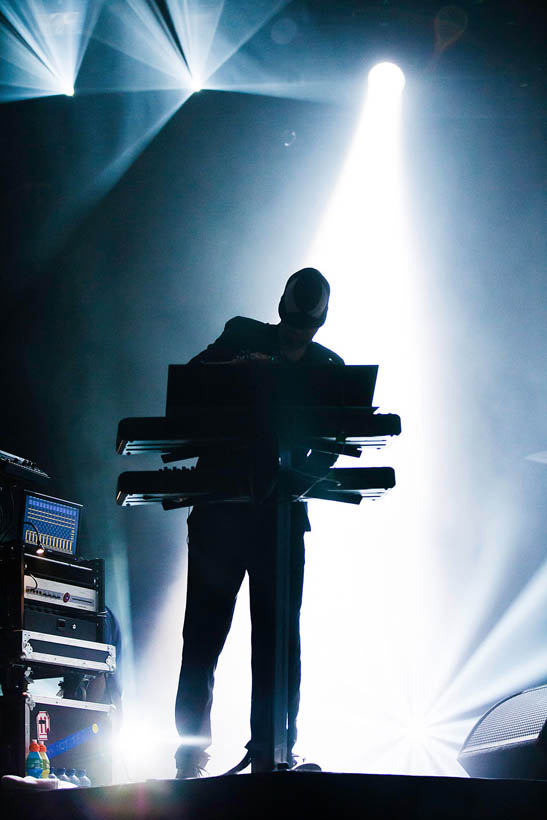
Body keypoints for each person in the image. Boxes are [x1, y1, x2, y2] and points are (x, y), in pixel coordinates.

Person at [174, 268, 344, 777]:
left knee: (278, 641)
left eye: (305, 327)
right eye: (292, 323)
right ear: (280, 311)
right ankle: (189, 756)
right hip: (221, 517)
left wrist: (295, 477)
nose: (296, 333)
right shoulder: (242, 335)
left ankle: (274, 751)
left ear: (319, 323)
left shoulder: (329, 367)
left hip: (280, 520)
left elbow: (334, 444)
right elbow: (190, 384)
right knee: (202, 637)